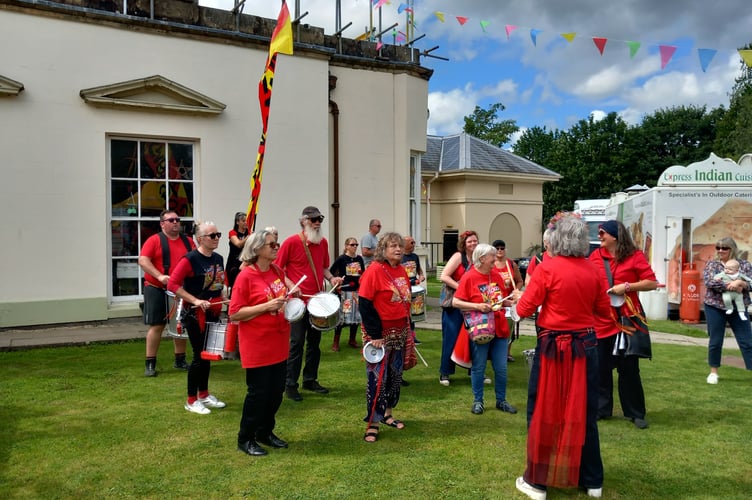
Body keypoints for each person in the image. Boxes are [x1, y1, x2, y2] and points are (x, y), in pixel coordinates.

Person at [513, 213, 613, 500]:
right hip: (586, 347)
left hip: (553, 348)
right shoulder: (594, 269)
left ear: (556, 239)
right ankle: (593, 481)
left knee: (542, 412)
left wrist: (514, 309)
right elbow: (604, 311)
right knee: (584, 412)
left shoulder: (547, 268)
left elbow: (524, 309)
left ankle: (537, 482)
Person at [229, 230, 294, 456]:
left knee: (276, 392)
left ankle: (265, 432)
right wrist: (266, 307)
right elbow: (235, 313)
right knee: (258, 394)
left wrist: (289, 306)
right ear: (257, 249)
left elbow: (283, 298)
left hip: (278, 341)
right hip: (257, 344)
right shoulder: (246, 276)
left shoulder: (276, 270)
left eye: (276, 244)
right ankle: (245, 438)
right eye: (271, 245)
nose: (276, 247)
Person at [589, 219, 657, 429]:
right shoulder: (594, 256)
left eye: (602, 233)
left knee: (629, 369)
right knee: (601, 368)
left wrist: (626, 287)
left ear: (615, 236)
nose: (599, 236)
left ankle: (635, 413)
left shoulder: (634, 256)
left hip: (627, 320)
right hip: (601, 321)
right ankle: (602, 410)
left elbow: (651, 282)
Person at [275, 206, 344, 402]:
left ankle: (310, 379)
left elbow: (323, 268)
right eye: (313, 219)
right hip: (297, 301)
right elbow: (279, 270)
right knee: (296, 343)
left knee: (314, 344)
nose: (317, 223)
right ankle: (290, 384)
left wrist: (333, 279)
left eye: (319, 219)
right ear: (303, 221)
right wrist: (290, 286)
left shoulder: (322, 243)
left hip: (316, 301)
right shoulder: (291, 242)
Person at [168, 221, 227, 415]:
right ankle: (191, 399)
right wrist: (195, 300)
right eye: (212, 235)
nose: (217, 238)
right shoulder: (190, 259)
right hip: (194, 314)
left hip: (213, 311)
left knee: (207, 354)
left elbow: (218, 284)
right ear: (200, 238)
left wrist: (224, 298)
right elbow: (173, 285)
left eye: (218, 234)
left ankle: (204, 394)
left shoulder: (218, 258)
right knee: (198, 356)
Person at [452, 243, 518, 416]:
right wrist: (478, 306)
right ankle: (478, 401)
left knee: (501, 367)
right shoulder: (469, 277)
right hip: (480, 328)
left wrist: (514, 301)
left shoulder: (495, 274)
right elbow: (456, 302)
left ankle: (501, 400)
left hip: (500, 327)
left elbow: (501, 300)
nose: (495, 260)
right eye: (492, 257)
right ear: (481, 259)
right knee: (479, 367)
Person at [358, 232, 411, 443]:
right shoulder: (374, 270)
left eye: (400, 246)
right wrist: (375, 335)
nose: (398, 249)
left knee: (395, 376)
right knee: (377, 379)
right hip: (379, 335)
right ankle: (373, 422)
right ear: (383, 249)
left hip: (400, 332)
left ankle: (388, 413)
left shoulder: (401, 270)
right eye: (392, 246)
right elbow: (364, 303)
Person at [138, 209, 195, 377]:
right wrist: (160, 276)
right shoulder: (154, 240)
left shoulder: (188, 242)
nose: (175, 222)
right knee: (157, 325)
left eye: (177, 219)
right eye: (171, 220)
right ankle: (150, 363)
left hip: (179, 288)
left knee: (179, 323)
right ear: (162, 224)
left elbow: (195, 260)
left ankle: (180, 360)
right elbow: (143, 260)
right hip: (156, 287)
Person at [703, 237, 752, 384]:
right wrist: (731, 286)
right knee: (715, 341)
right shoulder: (712, 264)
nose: (720, 251)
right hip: (714, 307)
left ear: (732, 249)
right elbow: (709, 282)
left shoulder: (744, 265)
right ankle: (713, 372)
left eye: (724, 248)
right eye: (718, 248)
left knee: (747, 341)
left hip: (739, 308)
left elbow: (750, 282)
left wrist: (741, 282)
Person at [438, 230, 478, 386]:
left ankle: (474, 370)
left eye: (475, 241)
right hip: (453, 304)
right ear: (464, 244)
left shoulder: (478, 258)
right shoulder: (457, 257)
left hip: (471, 304)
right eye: (470, 242)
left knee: (474, 337)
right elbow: (444, 276)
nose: (473, 244)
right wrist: (460, 287)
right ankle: (445, 372)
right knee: (451, 338)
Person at [329, 237, 365, 351]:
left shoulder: (359, 259)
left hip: (356, 292)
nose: (354, 246)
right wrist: (336, 281)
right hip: (344, 292)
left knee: (356, 316)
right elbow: (330, 272)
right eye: (352, 244)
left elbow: (363, 273)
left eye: (356, 244)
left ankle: (352, 339)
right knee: (342, 317)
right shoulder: (341, 259)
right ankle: (336, 342)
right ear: (346, 246)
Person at [492, 239, 523, 362]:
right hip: (495, 299)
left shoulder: (511, 264)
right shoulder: (491, 263)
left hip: (509, 300)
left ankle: (507, 352)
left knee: (509, 327)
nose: (500, 250)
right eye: (497, 248)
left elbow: (520, 281)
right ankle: (494, 352)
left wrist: (516, 291)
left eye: (502, 248)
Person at [402, 235, 425, 345]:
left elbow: (419, 270)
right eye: (411, 242)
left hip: (414, 287)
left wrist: (421, 276)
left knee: (414, 313)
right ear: (404, 243)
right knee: (404, 313)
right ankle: (404, 336)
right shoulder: (400, 257)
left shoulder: (415, 256)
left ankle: (412, 336)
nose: (413, 245)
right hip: (403, 288)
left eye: (414, 242)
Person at [226, 212, 249, 290]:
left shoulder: (249, 233)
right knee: (235, 285)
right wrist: (248, 237)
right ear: (237, 222)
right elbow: (238, 244)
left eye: (246, 220)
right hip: (234, 263)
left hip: (245, 262)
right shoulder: (232, 233)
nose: (245, 222)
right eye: (243, 221)